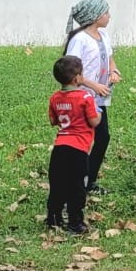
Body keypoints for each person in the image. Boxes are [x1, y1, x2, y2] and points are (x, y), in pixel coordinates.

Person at [63, 0, 120, 193]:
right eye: (106, 12)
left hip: (98, 98)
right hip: (82, 98)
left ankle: (88, 180)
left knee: (103, 138)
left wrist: (114, 71)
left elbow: (110, 59)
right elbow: (70, 71)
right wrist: (94, 85)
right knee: (82, 139)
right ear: (95, 17)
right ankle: (76, 180)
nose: (109, 16)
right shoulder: (79, 40)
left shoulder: (103, 36)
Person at [47, 55, 99, 235]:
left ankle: (53, 218)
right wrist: (98, 114)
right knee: (77, 186)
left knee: (58, 184)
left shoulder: (54, 98)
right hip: (79, 149)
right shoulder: (85, 96)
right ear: (77, 78)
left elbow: (53, 120)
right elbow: (93, 122)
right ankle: (75, 222)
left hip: (60, 147)